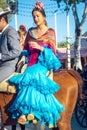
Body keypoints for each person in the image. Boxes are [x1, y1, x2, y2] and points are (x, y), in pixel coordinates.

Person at [7, 2, 65, 128]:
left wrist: (41, 48)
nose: (35, 19)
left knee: (31, 75)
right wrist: (23, 56)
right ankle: (26, 113)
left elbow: (53, 54)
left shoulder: (50, 32)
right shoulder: (30, 32)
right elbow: (25, 48)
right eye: (34, 17)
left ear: (43, 16)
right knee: (24, 77)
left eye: (38, 16)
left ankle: (25, 112)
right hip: (30, 62)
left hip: (42, 63)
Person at [0, 8, 21, 82]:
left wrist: (1, 56)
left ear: (2, 20)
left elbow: (16, 51)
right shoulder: (3, 33)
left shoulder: (10, 31)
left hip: (8, 65)